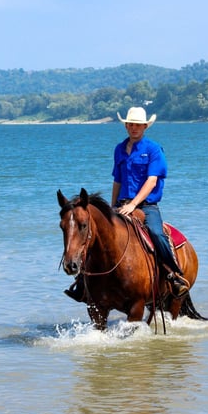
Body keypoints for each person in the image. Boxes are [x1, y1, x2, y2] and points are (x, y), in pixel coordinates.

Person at [64, 106, 190, 301]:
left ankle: (173, 275)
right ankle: (82, 282)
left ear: (145, 126)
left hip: (146, 206)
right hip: (121, 205)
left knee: (156, 233)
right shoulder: (120, 149)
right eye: (130, 124)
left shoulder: (154, 150)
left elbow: (152, 181)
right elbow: (118, 180)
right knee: (95, 235)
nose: (133, 128)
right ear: (126, 126)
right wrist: (112, 207)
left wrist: (134, 204)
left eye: (138, 125)